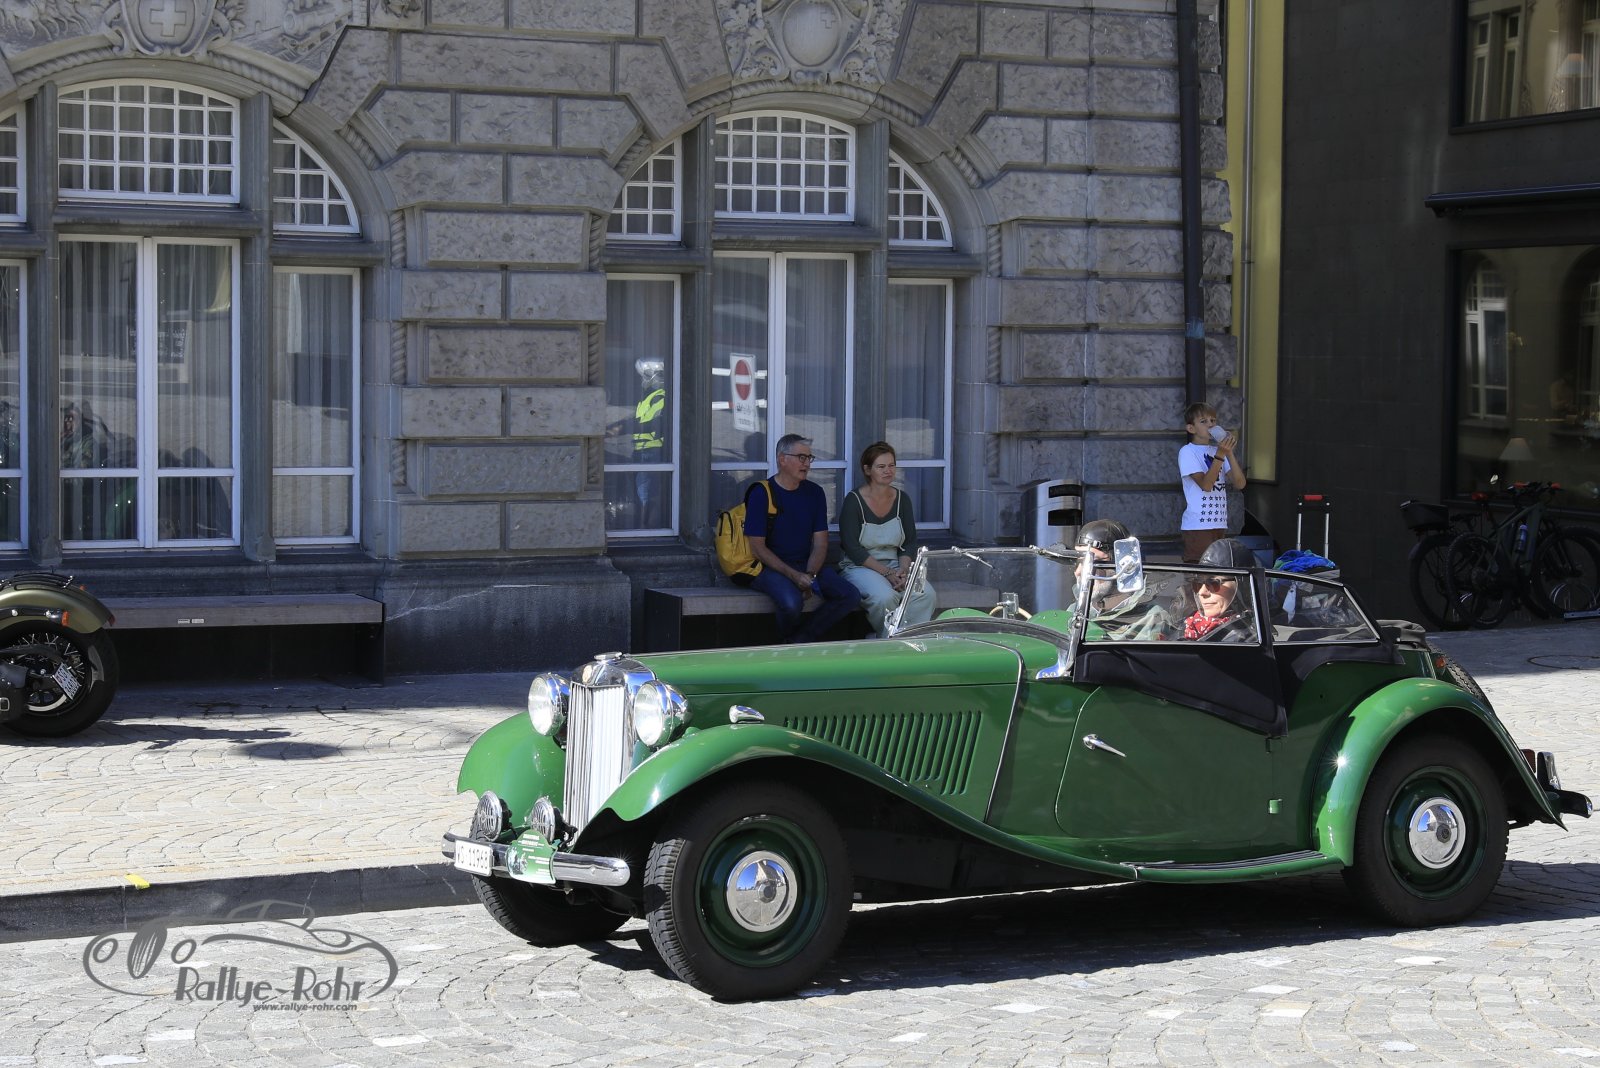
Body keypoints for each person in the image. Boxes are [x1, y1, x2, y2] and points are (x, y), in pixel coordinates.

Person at [745, 434, 862, 643]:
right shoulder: (761, 493)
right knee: (791, 603)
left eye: (809, 458)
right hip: (769, 567)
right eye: (801, 457)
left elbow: (820, 543)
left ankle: (797, 643)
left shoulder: (814, 493)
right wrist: (794, 576)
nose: (807, 464)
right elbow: (757, 548)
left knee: (850, 595)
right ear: (782, 459)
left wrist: (809, 575)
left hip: (805, 565)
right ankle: (791, 646)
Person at [838, 441, 936, 637]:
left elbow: (908, 542)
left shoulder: (902, 499)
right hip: (860, 567)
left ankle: (906, 640)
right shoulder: (853, 501)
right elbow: (852, 547)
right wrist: (887, 573)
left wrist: (903, 571)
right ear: (867, 470)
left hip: (895, 564)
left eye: (891, 465)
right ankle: (887, 641)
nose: (888, 471)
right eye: (881, 466)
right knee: (885, 597)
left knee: (925, 594)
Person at [1178, 402, 1246, 562]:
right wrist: (1221, 454)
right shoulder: (1187, 451)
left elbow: (1240, 483)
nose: (1210, 425)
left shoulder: (1217, 451)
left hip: (1219, 523)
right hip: (1198, 525)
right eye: (1203, 421)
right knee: (1199, 569)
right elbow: (1206, 485)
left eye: (1213, 421)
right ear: (1191, 428)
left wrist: (1229, 453)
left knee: (1218, 569)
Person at [1182, 538, 1257, 642]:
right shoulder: (1188, 625)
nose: (1201, 592)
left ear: (1241, 586)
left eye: (1213, 583)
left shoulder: (1249, 640)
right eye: (1197, 584)